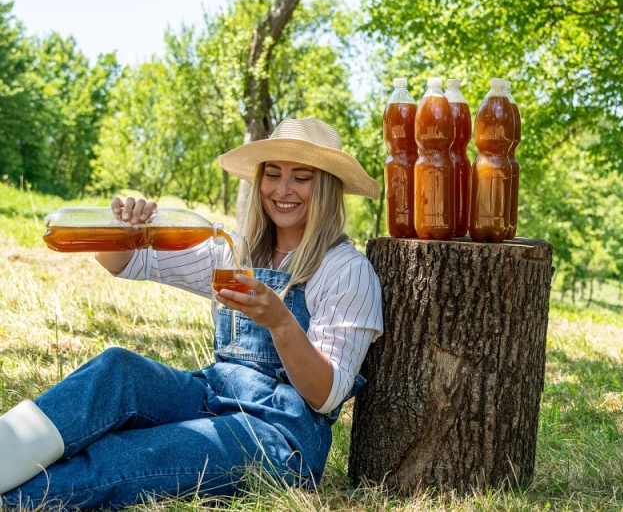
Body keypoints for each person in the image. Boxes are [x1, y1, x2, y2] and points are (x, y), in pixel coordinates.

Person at [0, 118, 384, 510]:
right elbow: (128, 263)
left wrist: (281, 321)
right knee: (118, 370)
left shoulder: (345, 270)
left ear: (326, 187)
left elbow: (326, 395)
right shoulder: (234, 249)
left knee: (133, 454)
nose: (282, 190)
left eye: (301, 177)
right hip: (213, 393)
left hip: (279, 438)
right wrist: (125, 228)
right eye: (273, 174)